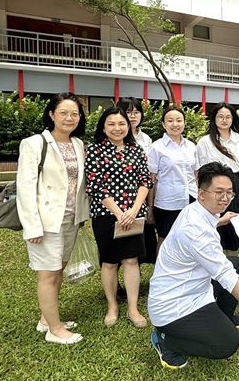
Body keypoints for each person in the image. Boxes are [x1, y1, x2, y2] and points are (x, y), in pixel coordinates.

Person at [148, 162, 239, 370]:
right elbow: (226, 277)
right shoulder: (196, 231)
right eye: (218, 192)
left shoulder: (196, 210)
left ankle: (224, 318)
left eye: (229, 192)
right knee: (227, 344)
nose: (225, 198)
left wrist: (221, 220)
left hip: (195, 288)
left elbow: (206, 229)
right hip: (174, 306)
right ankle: (165, 340)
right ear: (201, 194)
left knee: (235, 263)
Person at [18, 92, 89, 345]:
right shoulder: (34, 143)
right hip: (45, 221)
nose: (69, 118)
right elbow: (25, 188)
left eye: (74, 114)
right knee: (47, 275)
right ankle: (54, 329)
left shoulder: (78, 144)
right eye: (64, 113)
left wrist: (81, 215)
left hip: (70, 219)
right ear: (51, 115)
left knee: (57, 270)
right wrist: (32, 225)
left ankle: (46, 319)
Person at [85, 106, 153, 328]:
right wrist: (118, 212)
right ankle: (112, 305)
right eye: (111, 124)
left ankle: (133, 308)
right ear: (103, 127)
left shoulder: (137, 150)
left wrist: (133, 210)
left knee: (132, 259)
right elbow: (94, 185)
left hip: (134, 214)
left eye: (122, 123)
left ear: (129, 126)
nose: (117, 128)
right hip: (106, 214)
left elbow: (145, 181)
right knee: (110, 261)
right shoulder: (95, 150)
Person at [196, 102, 239, 256]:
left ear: (233, 119)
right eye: (220, 116)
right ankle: (214, 257)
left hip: (234, 185)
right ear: (214, 119)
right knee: (215, 219)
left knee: (233, 221)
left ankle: (232, 259)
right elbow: (200, 170)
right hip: (213, 185)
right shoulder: (205, 142)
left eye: (228, 117)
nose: (224, 120)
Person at [147, 105, 199, 254]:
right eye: (170, 121)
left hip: (190, 198)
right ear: (163, 124)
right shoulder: (156, 148)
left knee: (188, 236)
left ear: (184, 123)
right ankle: (162, 273)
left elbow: (195, 175)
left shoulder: (191, 146)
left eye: (179, 120)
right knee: (165, 237)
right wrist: (150, 208)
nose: (175, 124)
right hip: (167, 201)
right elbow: (151, 180)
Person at [117, 97, 157, 266]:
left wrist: (149, 205)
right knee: (117, 241)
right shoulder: (114, 136)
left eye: (136, 112)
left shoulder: (146, 140)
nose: (133, 116)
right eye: (128, 112)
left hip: (140, 194)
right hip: (117, 195)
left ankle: (134, 272)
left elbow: (149, 174)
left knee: (139, 240)